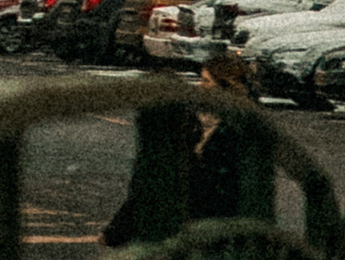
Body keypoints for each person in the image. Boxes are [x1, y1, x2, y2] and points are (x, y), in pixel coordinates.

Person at [102, 41, 258, 246]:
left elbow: (156, 184)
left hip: (208, 227)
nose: (200, 87)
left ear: (225, 86)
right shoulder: (197, 119)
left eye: (206, 81)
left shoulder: (235, 129)